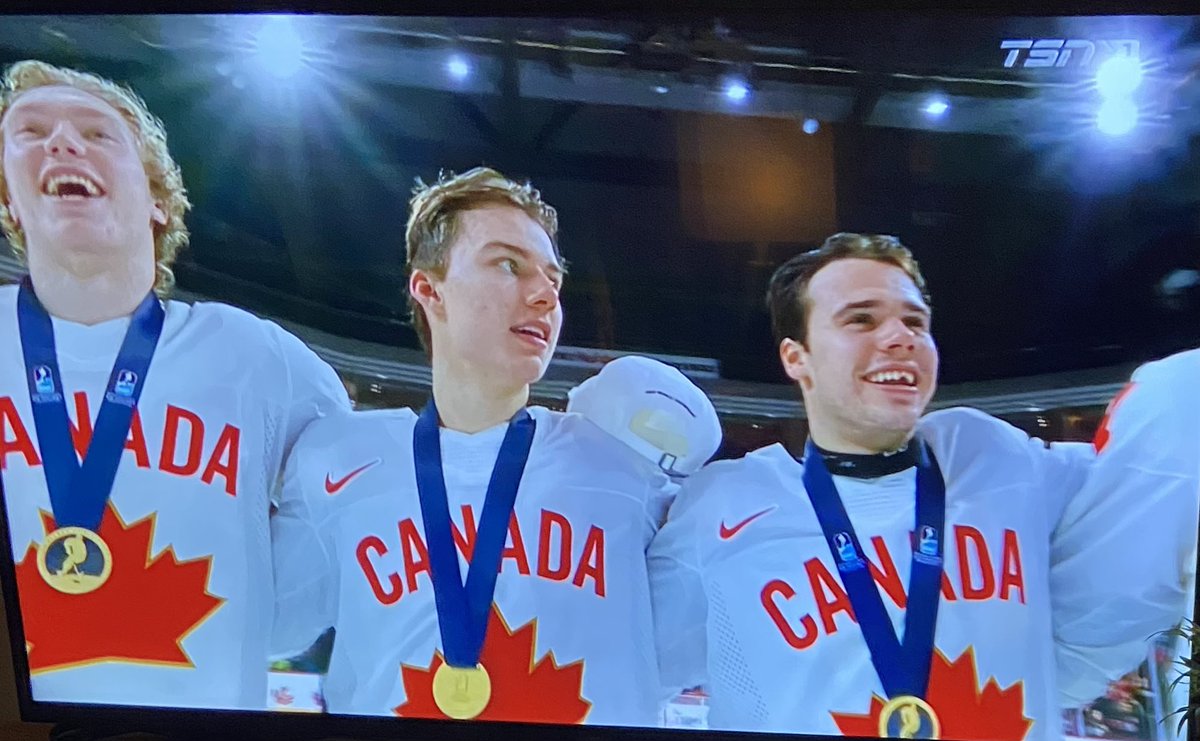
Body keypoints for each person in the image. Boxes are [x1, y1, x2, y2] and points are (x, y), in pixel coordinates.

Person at [648, 232, 1198, 739]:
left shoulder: (995, 458)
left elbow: (1149, 491)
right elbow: (621, 656)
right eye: (861, 320)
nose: (899, 337)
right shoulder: (724, 508)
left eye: (915, 322)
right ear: (798, 357)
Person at [0, 60, 349, 710]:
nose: (62, 143)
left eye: (98, 134)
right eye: (31, 130)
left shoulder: (259, 359)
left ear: (158, 199)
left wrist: (262, 607)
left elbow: (347, 511)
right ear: (9, 199)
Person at [271, 167, 671, 725]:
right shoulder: (339, 460)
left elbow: (693, 647)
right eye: (509, 264)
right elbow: (264, 622)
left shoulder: (627, 465)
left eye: (553, 281)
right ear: (429, 288)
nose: (543, 296)